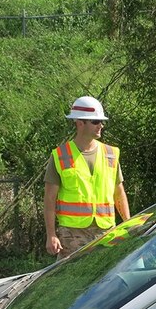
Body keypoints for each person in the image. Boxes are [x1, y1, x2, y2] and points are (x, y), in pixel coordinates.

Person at [43, 96, 130, 260]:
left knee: (107, 281)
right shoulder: (60, 156)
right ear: (80, 123)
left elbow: (119, 194)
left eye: (101, 122)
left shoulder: (110, 154)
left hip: (107, 232)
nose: (101, 126)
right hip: (72, 234)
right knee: (70, 279)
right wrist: (51, 235)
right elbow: (49, 199)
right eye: (95, 122)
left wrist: (128, 224)